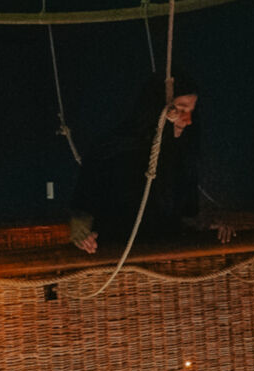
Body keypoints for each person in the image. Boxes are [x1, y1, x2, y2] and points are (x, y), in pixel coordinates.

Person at [69, 72, 233, 253]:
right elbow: (87, 197)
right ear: (159, 109)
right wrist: (81, 228)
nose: (188, 121)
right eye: (181, 110)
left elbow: (182, 213)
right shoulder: (114, 150)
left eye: (191, 111)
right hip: (118, 252)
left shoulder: (179, 154)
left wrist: (207, 226)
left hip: (164, 253)